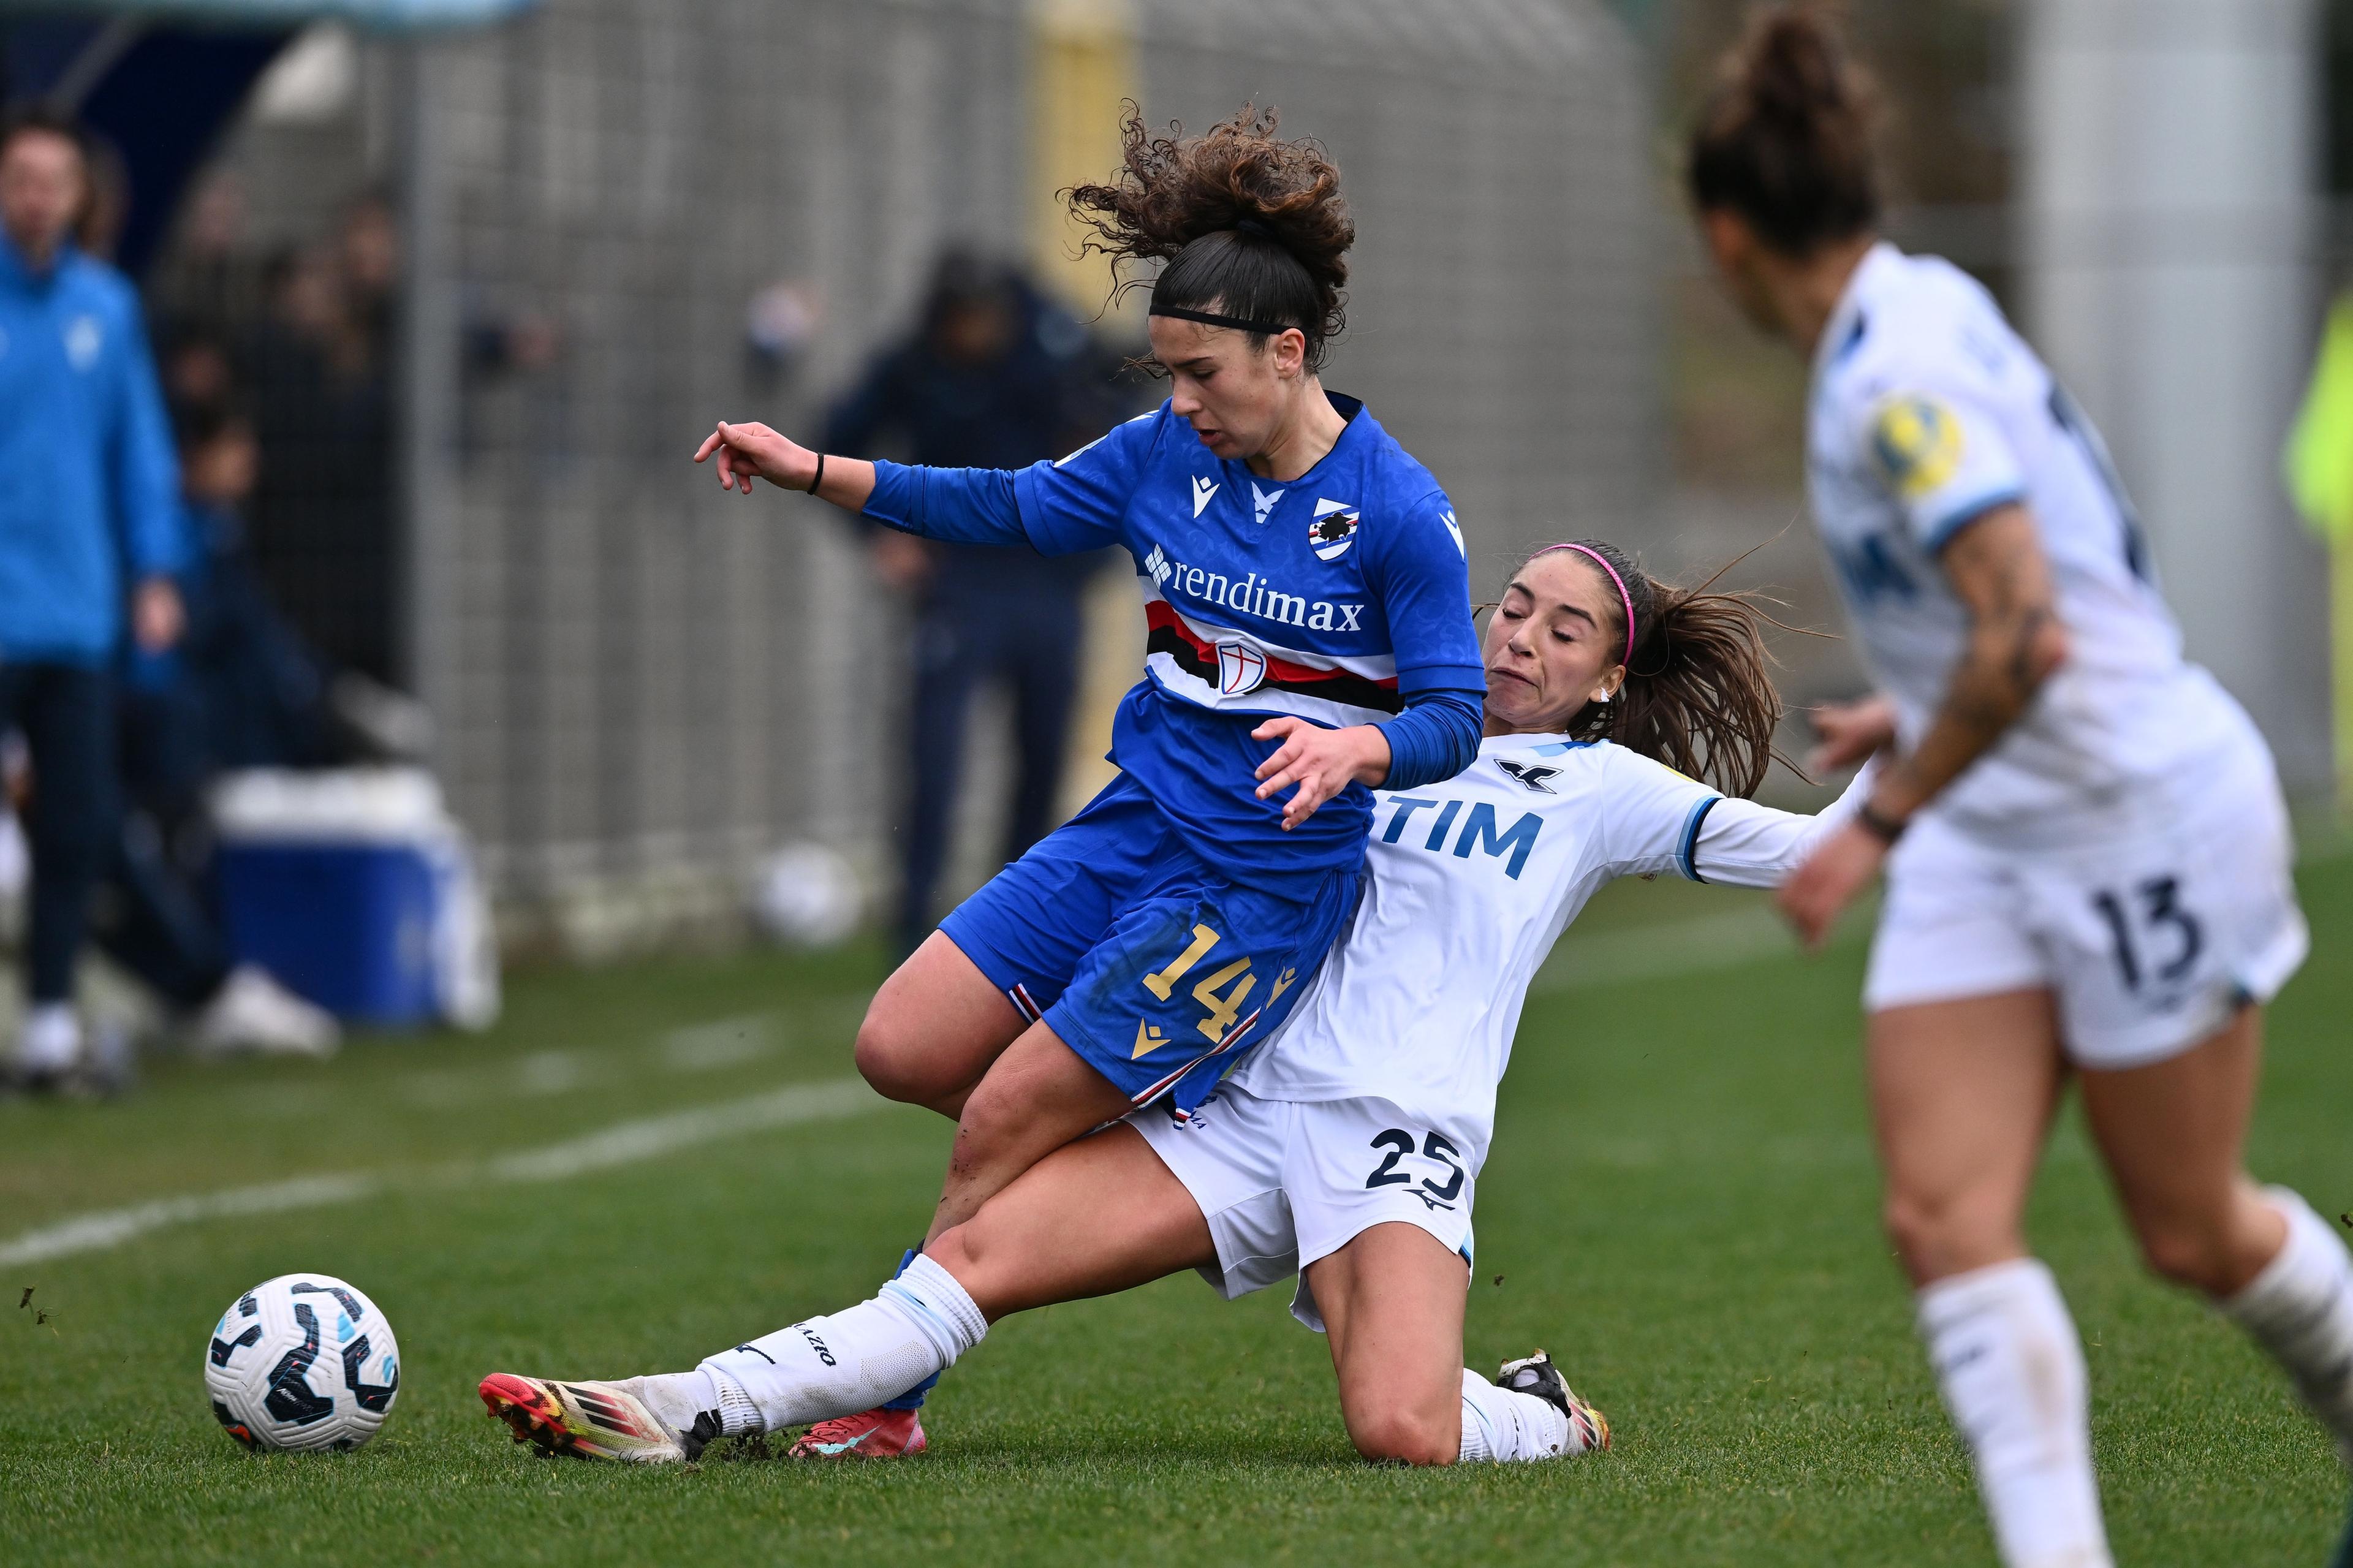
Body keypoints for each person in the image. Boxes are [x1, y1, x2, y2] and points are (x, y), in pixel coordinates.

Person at [476, 539, 1863, 1466]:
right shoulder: (1382, 718)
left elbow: (1811, 852)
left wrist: (1926, 735)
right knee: (974, 1259)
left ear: (1606, 677)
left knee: (1401, 1429)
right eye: (1514, 606)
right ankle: (680, 1405)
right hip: (1241, 1112)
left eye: (1566, 631)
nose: (1523, 639)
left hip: (1394, 1143)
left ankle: (1542, 1416)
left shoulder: (1601, 792)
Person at [681, 105, 1485, 1456]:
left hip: (1259, 887)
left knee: (1000, 1113)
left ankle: (886, 1393)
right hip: (1131, 828)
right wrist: (814, 469)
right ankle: (1188, 1137)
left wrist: (1362, 744)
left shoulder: (1398, 512)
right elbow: (1008, 505)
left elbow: (1455, 712)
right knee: (904, 1045)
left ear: (1287, 355)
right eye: (1166, 371)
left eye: (1203, 373)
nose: (1179, 401)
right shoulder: (1168, 451)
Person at [1684, 13, 2353, 1567]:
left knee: (2191, 1231)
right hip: (1997, 822)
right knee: (1942, 1218)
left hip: (2135, 814)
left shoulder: (1889, 372)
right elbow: (1988, 629)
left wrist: (1886, 821)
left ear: (1726, 234)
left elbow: (2026, 630)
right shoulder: (1906, 310)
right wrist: (1908, 716)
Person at [824, 252, 1129, 953]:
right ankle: (913, 917)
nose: (973, 335)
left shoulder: (1051, 347)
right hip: (959, 581)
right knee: (935, 751)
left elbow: (1122, 419)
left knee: (1042, 752)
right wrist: (881, 539)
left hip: (1049, 583)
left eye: (984, 320)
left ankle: (1015, 919)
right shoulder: (916, 364)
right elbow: (841, 440)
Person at [0, 108, 184, 1089]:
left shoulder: (105, 310)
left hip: (72, 613)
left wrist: (154, 570)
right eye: (20, 177)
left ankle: (49, 1027)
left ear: (78, 195)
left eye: (52, 180)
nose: (35, 197)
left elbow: (139, 451)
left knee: (75, 822)